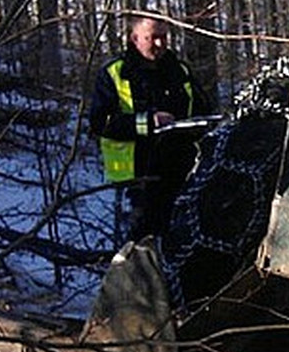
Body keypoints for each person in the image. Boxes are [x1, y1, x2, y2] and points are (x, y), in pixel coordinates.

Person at [90, 15, 214, 241]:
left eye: (164, 37)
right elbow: (101, 122)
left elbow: (203, 109)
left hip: (181, 173)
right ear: (134, 38)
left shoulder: (180, 70)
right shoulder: (115, 73)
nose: (159, 44)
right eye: (152, 38)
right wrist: (148, 123)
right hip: (137, 179)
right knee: (140, 247)